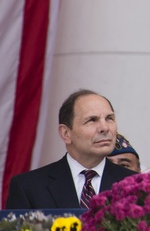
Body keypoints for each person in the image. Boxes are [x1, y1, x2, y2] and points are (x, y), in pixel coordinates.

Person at [4, 89, 136, 209]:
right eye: (92, 120)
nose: (105, 128)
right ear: (66, 134)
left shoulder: (135, 185)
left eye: (109, 118)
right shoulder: (29, 187)